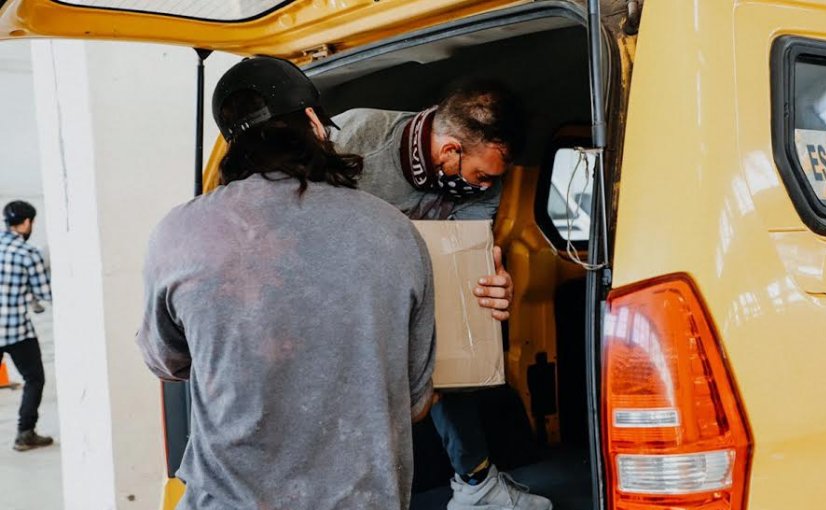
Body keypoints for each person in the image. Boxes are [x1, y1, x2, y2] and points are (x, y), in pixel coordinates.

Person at [136, 56, 436, 510]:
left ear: (233, 144)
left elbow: (165, 360)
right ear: (315, 123)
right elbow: (416, 399)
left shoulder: (179, 233)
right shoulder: (394, 230)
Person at [331, 85, 553, 510]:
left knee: (454, 339)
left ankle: (476, 485)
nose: (489, 187)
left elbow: (468, 251)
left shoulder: (484, 181)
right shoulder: (354, 140)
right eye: (482, 176)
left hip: (415, 287)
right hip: (343, 291)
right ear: (449, 151)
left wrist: (490, 282)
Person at [0, 200, 53, 452]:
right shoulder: (28, 254)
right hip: (15, 331)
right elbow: (46, 292)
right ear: (28, 223)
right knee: (34, 379)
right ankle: (25, 433)